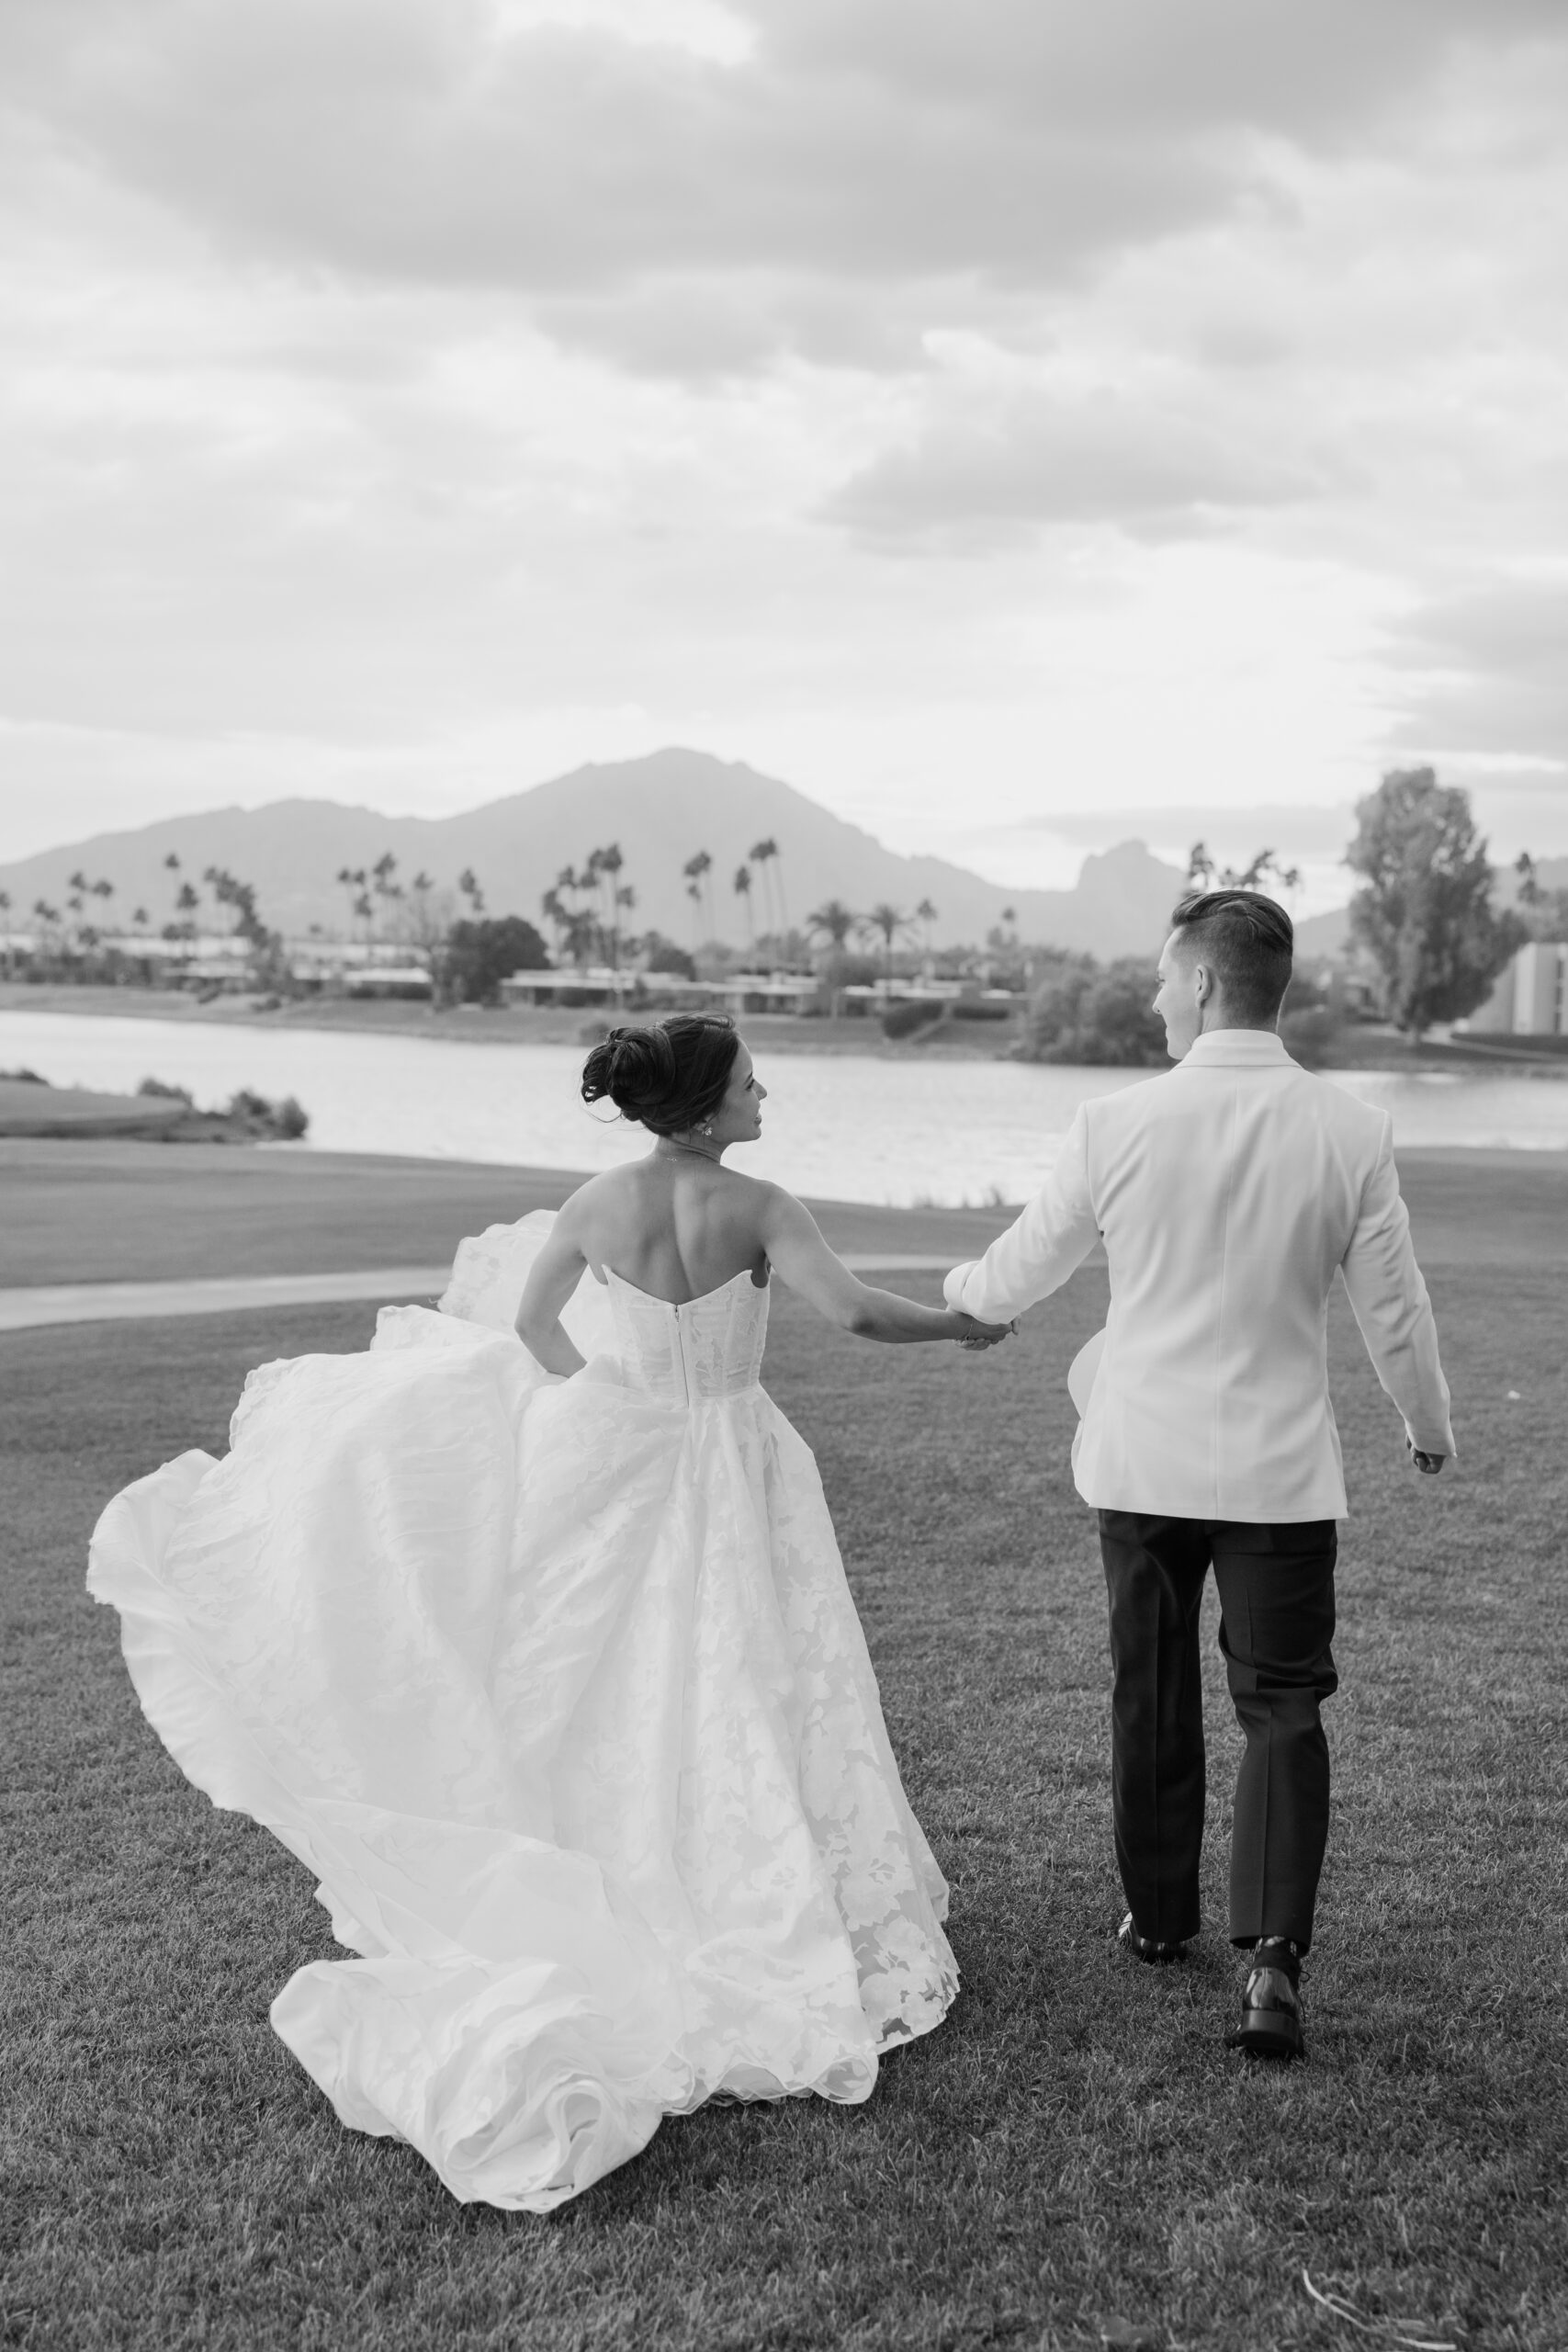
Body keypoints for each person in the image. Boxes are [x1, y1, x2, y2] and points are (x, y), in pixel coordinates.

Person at [88, 1013, 1010, 2211]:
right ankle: (752, 1895)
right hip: (733, 1456)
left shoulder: (592, 1204)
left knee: (608, 1682)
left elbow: (529, 1325)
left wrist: (604, 1401)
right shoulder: (761, 1205)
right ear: (700, 1107)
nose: (762, 1094)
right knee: (743, 1675)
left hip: (625, 1450)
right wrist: (953, 1325)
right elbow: (851, 1314)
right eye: (747, 1081)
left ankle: (624, 1880)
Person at [942, 888, 1454, 2061]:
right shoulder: (1353, 1127)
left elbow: (1021, 1270)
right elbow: (1394, 1310)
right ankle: (1271, 1963)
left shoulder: (1113, 1121)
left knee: (1152, 1686)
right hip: (1278, 1474)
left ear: (1209, 984)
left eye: (1165, 980)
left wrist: (963, 1298)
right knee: (1283, 1709)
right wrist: (1426, 1421)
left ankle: (1160, 1919)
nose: (1154, 998)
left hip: (1143, 1460)